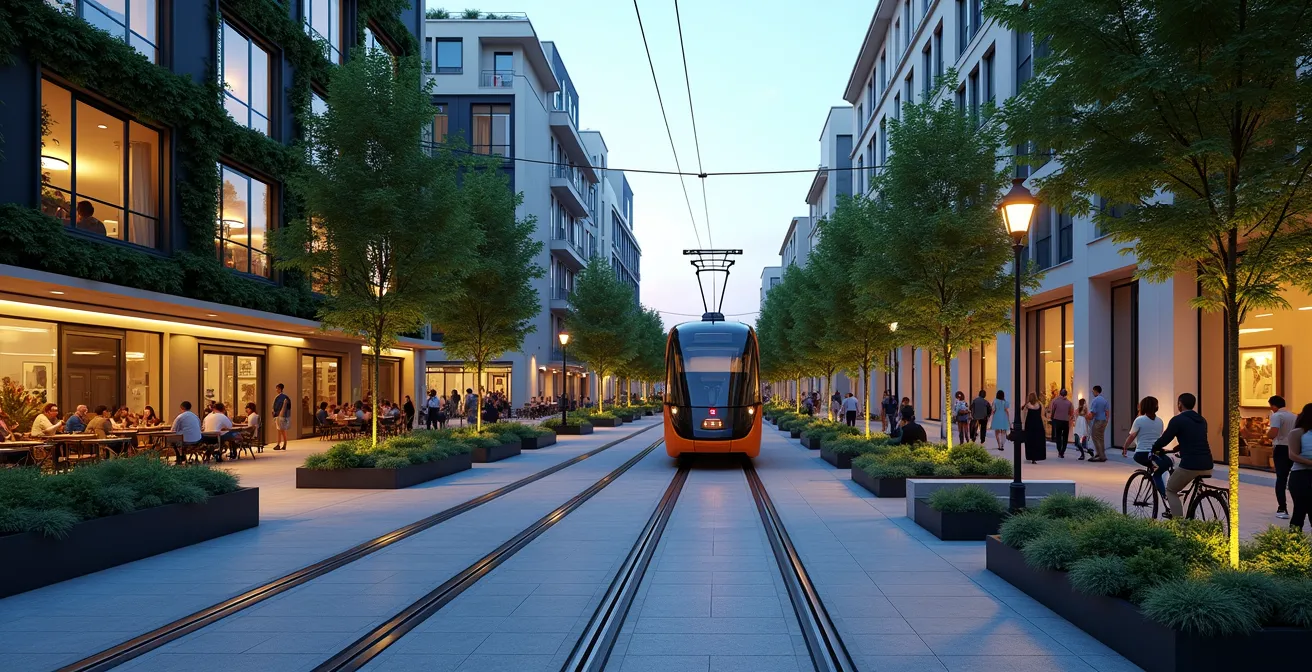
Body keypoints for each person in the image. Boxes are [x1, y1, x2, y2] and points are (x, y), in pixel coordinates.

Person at [1151, 393, 1214, 519]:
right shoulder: (1202, 420)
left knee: (1171, 490)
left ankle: (1179, 525)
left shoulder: (1178, 420)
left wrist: (1155, 448)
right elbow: (1196, 439)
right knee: (1186, 486)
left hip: (1191, 464)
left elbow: (1165, 439)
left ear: (1180, 404)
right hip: (1208, 463)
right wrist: (1179, 447)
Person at [1123, 396, 1170, 496]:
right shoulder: (1160, 421)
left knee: (1157, 472)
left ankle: (1165, 494)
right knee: (1166, 464)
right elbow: (1159, 436)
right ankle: (1168, 493)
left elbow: (1132, 436)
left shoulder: (1139, 420)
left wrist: (1125, 447)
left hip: (1141, 453)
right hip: (1156, 453)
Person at [1267, 395, 1297, 519]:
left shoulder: (1277, 416)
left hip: (1281, 448)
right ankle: (1300, 507)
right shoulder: (1294, 416)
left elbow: (1273, 433)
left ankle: (1282, 508)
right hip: (1294, 448)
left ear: (1274, 406)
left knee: (1281, 478)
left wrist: (1267, 434)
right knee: (1295, 478)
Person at [1285, 403, 1312, 531]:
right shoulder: (1297, 433)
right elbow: (1293, 455)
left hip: (1303, 476)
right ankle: (1293, 545)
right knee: (1299, 511)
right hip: (1301, 476)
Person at [1048, 389, 1075, 458]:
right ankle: (1063, 451)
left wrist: (1052, 417)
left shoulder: (1056, 401)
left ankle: (1059, 450)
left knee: (1058, 436)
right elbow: (1071, 412)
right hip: (1065, 421)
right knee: (1065, 437)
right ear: (1066, 394)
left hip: (1057, 420)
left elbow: (1053, 411)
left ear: (1060, 393)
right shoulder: (1069, 403)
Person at [1088, 385, 1110, 462]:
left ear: (1095, 391)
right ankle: (1101, 453)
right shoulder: (1104, 400)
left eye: (1093, 391)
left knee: (1095, 437)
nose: (1092, 392)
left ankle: (1101, 456)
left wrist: (1088, 417)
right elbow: (1107, 412)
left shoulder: (1095, 400)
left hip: (1098, 420)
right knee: (1101, 438)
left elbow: (1092, 413)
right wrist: (1106, 420)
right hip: (1104, 421)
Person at [1023, 392, 1046, 464]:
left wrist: (1023, 425)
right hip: (1038, 424)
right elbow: (1042, 414)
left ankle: (1031, 456)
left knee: (1030, 441)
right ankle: (1037, 456)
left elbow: (1024, 416)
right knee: (1037, 440)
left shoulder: (1027, 405)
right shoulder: (1039, 405)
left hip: (1029, 425)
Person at [272, 383, 291, 451]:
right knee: (280, 430)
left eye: (277, 388)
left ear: (280, 389)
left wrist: (279, 414)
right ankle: (279, 444)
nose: (276, 389)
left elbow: (283, 407)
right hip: (280, 415)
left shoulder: (282, 397)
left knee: (282, 431)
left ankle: (283, 444)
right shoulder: (284, 397)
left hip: (280, 416)